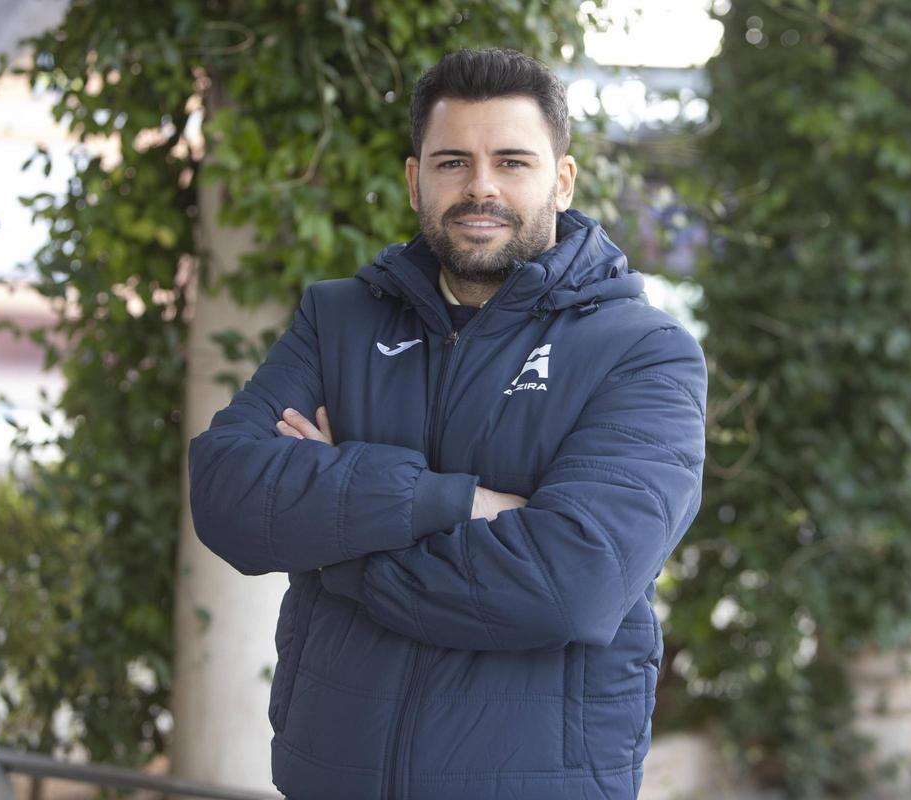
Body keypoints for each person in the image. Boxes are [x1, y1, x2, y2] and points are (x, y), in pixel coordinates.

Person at [188, 47, 707, 800]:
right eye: (453, 162)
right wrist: (456, 503)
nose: (481, 188)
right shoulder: (339, 320)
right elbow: (228, 495)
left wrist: (338, 551)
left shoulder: (643, 353)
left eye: (512, 162)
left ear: (561, 181)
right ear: (414, 179)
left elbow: (573, 582)